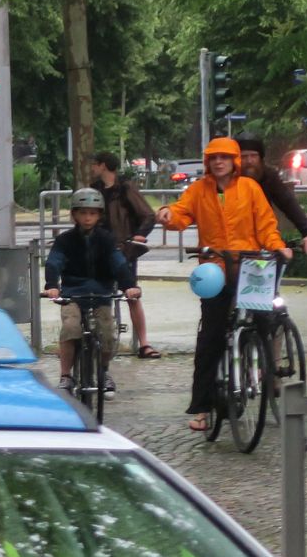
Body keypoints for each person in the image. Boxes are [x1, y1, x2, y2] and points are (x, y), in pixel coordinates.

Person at [157, 136, 289, 433]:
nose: (219, 162)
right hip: (214, 269)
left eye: (224, 157)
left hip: (250, 266)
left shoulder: (250, 188)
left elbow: (266, 224)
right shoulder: (198, 190)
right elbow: (181, 213)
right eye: (214, 158)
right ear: (208, 162)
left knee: (266, 321)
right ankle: (202, 407)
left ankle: (267, 374)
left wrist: (277, 246)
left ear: (234, 161)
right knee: (210, 337)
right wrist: (168, 214)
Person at [43, 188, 141, 396]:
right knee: (70, 327)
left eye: (92, 213)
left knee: (107, 332)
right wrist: (52, 285)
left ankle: (104, 371)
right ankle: (66, 375)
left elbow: (118, 263)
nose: (88, 218)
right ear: (74, 215)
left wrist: (129, 285)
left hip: (101, 294)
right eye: (83, 213)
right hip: (72, 293)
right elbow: (54, 262)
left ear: (99, 215)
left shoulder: (106, 239)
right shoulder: (65, 240)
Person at [90, 151, 161, 358]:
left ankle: (144, 343)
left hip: (123, 250)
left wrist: (139, 235)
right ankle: (93, 339)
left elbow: (148, 214)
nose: (92, 168)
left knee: (132, 294)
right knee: (95, 294)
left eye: (94, 164)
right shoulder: (94, 190)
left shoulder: (125, 188)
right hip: (98, 250)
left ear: (103, 165)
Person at [240, 136, 307, 257]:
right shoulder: (229, 179)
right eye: (244, 157)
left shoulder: (269, 177)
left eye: (253, 156)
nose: (249, 161)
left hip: (263, 240)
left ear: (261, 158)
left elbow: (288, 203)